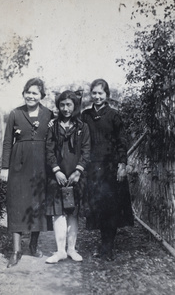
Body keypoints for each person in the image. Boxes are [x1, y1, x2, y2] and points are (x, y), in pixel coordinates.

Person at [0, 78, 53, 268]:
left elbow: (53, 141)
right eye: (28, 92)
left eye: (35, 93)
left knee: (37, 203)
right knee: (16, 203)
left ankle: (33, 245)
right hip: (18, 164)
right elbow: (7, 142)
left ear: (41, 96)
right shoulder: (15, 114)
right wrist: (5, 167)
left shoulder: (49, 114)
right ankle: (16, 250)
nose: (31, 96)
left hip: (41, 165)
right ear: (23, 93)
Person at [82, 78, 133, 261]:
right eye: (94, 93)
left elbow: (122, 142)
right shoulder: (85, 116)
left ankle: (108, 248)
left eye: (100, 93)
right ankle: (103, 244)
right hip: (92, 169)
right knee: (98, 207)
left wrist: (122, 165)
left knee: (111, 208)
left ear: (107, 95)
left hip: (110, 169)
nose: (97, 96)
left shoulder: (114, 116)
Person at [45, 90, 90, 264]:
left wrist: (78, 171)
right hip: (56, 176)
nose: (65, 108)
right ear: (58, 106)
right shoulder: (52, 126)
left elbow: (86, 150)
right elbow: (48, 150)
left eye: (69, 105)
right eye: (62, 105)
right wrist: (56, 170)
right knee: (58, 214)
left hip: (76, 176)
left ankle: (71, 249)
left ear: (75, 106)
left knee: (73, 213)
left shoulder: (82, 127)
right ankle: (60, 251)